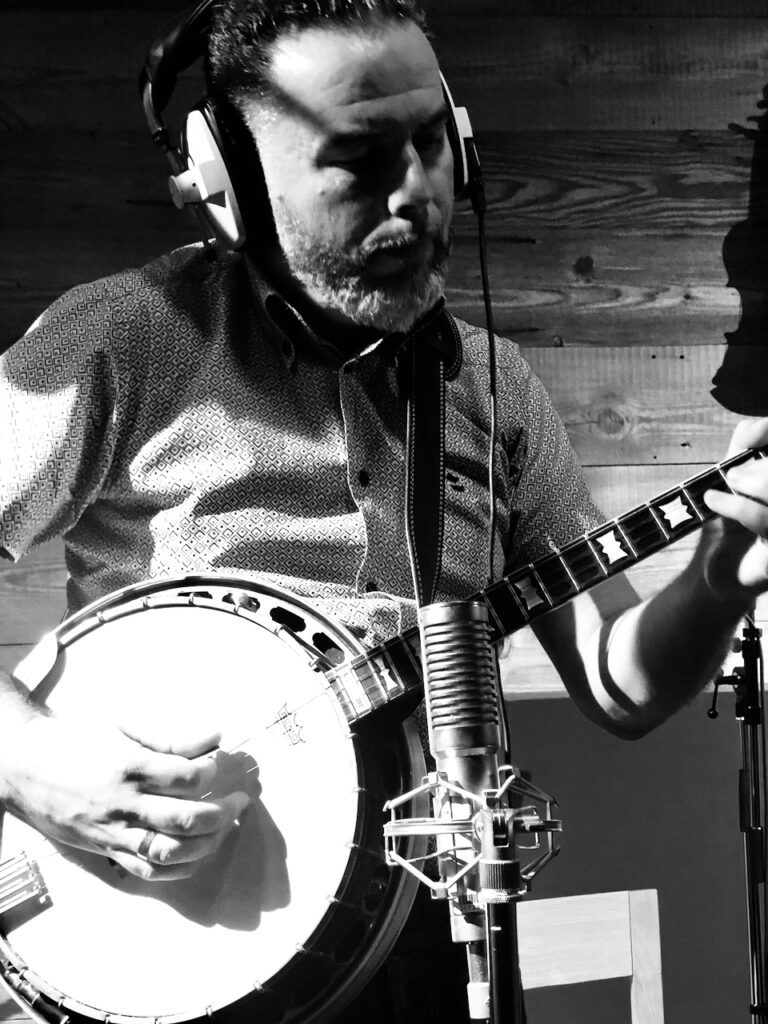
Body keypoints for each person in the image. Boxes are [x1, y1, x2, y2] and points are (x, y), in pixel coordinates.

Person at [2, 0, 768, 1020]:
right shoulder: (127, 340)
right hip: (159, 941)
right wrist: (35, 763)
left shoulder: (494, 389)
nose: (417, 192)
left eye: (432, 143)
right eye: (360, 159)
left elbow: (620, 685)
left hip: (423, 933)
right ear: (228, 188)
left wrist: (723, 568)